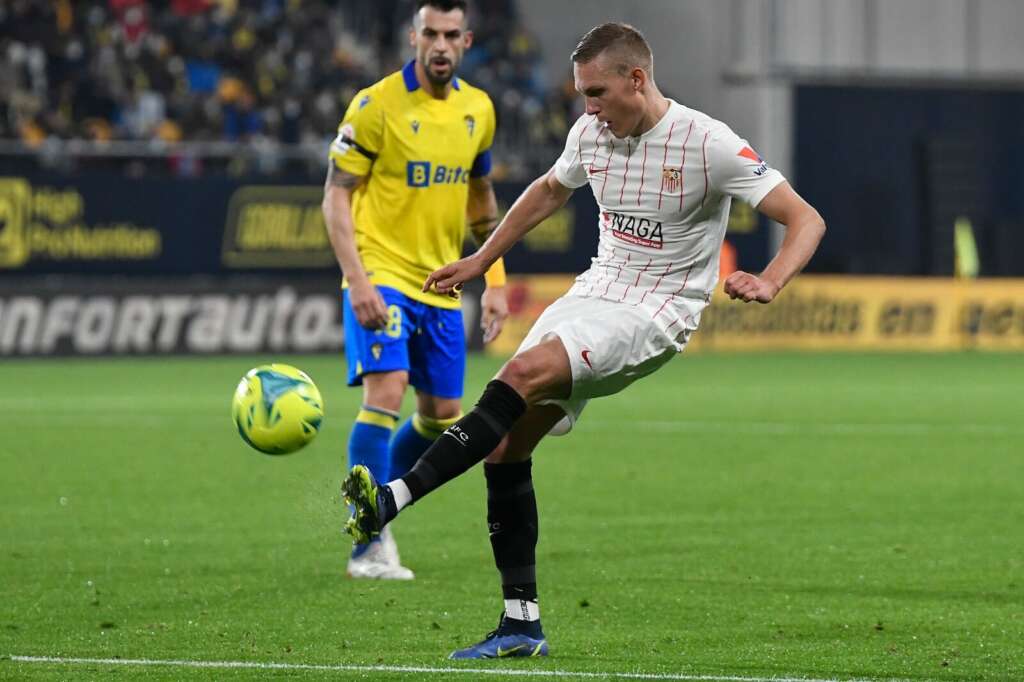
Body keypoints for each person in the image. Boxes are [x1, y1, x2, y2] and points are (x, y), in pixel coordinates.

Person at [342, 21, 827, 655]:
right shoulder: (590, 132)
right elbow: (547, 192)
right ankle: (521, 624)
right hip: (592, 294)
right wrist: (480, 261)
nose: (587, 107)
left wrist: (770, 279)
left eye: (596, 93)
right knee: (505, 446)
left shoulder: (708, 142)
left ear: (637, 79)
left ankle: (390, 500)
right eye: (580, 94)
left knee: (513, 380)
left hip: (656, 313)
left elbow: (805, 218)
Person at [322, 0, 508, 580]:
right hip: (383, 274)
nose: (440, 45)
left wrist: (495, 279)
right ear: (414, 36)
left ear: (467, 40)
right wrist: (358, 280)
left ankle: (380, 503)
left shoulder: (479, 109)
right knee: (387, 389)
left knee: (442, 415)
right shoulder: (376, 105)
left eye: (451, 34)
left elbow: (481, 202)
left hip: (442, 281)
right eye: (431, 33)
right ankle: (366, 544)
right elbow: (335, 194)